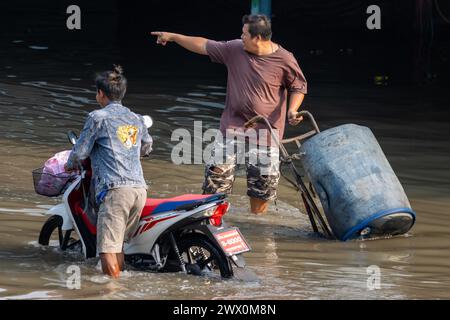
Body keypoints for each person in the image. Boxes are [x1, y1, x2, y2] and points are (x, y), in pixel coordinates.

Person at [151, 14, 307, 214]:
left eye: (244, 34)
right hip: (232, 129)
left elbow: (298, 87)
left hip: (266, 135)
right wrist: (173, 36)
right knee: (214, 184)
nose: (240, 37)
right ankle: (212, 226)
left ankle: (257, 233)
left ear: (257, 38)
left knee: (261, 191)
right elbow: (203, 45)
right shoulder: (235, 49)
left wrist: (292, 110)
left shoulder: (285, 58)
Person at [64, 65, 153, 278]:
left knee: (106, 251)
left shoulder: (98, 117)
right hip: (139, 190)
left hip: (115, 191)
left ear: (100, 94)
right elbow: (147, 146)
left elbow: (81, 152)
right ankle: (119, 285)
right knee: (117, 246)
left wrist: (69, 164)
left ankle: (114, 292)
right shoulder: (136, 118)